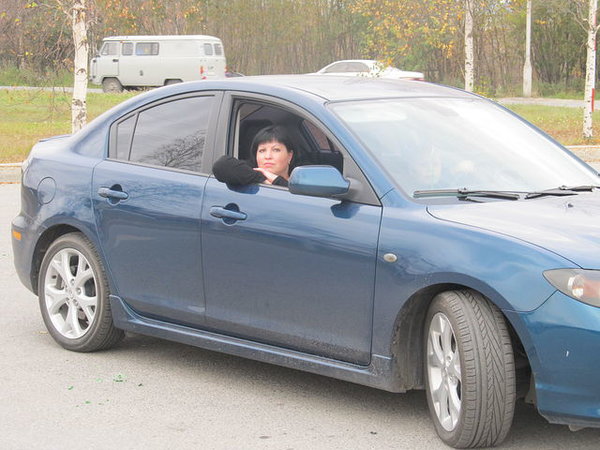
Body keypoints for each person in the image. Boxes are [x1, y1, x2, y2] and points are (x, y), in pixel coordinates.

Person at [213, 125, 295, 187]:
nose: (268, 156)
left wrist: (276, 180)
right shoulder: (250, 172)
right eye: (262, 150)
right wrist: (261, 179)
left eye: (276, 150)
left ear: (290, 156)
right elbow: (221, 165)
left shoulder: (300, 180)